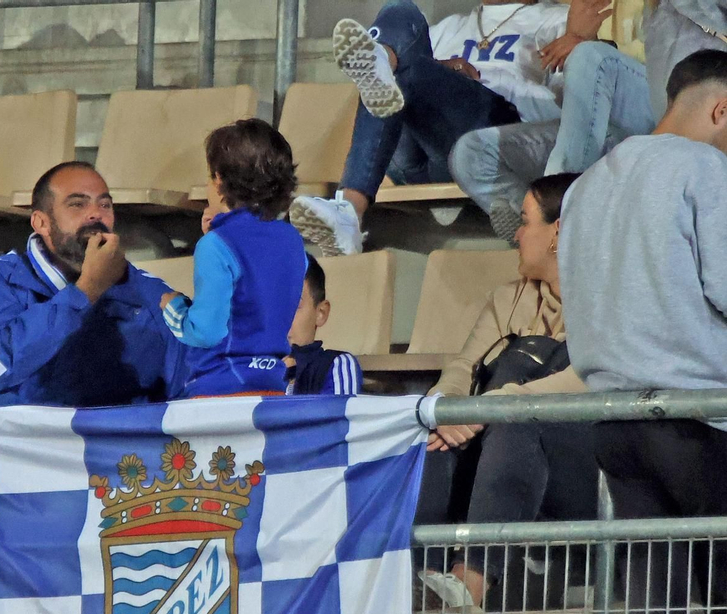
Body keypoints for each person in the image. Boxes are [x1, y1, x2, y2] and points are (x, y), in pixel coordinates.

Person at [560, 49, 727, 614]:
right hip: (701, 418)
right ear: (720, 110)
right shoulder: (702, 171)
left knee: (655, 609)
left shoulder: (590, 185)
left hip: (613, 422)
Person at [415, 173, 593, 612]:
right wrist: (450, 409)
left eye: (526, 220)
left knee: (519, 418)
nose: (516, 232)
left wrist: (497, 404)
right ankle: (419, 582)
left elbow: (592, 378)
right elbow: (462, 366)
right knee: (436, 439)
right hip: (497, 452)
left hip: (583, 467)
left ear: (558, 232)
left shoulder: (608, 302)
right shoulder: (506, 298)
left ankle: (469, 584)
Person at [290, 0, 571, 256]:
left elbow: (562, 119)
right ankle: (349, 212)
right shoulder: (447, 28)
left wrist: (472, 81)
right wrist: (439, 72)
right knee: (400, 14)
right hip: (416, 156)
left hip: (492, 133)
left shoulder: (558, 20)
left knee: (395, 68)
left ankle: (350, 208)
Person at [0, 160, 189, 407]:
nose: (96, 213)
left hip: (116, 436)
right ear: (41, 222)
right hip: (27, 435)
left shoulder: (146, 290)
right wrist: (86, 290)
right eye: (77, 204)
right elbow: (0, 364)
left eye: (105, 204)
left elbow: (188, 382)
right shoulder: (6, 275)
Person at [450, 0, 660, 241]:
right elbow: (563, 105)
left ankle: (557, 219)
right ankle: (547, 238)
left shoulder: (555, 18)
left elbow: (680, 70)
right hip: (578, 132)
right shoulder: (567, 9)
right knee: (470, 153)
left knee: (589, 55)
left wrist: (589, 44)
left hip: (648, 121)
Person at [162, 118, 306, 397]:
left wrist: (173, 308)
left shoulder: (216, 245)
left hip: (220, 390)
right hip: (273, 385)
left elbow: (205, 332)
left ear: (219, 179)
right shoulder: (292, 241)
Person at [285, 255, 364, 397]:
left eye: (294, 305)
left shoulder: (335, 366)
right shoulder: (244, 365)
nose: (280, 316)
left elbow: (337, 417)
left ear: (321, 313)